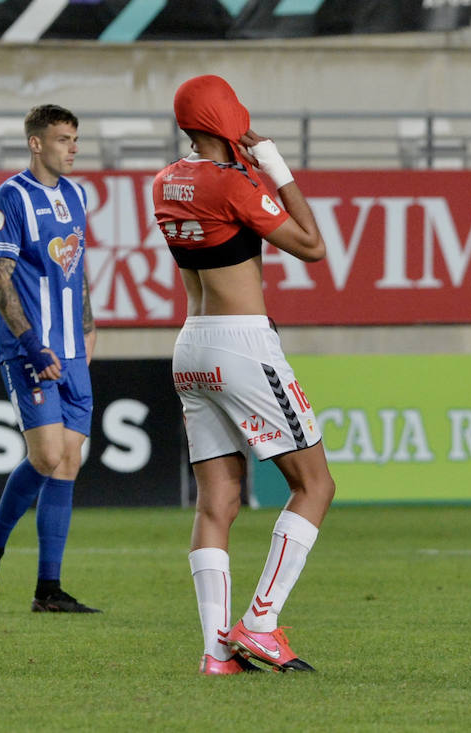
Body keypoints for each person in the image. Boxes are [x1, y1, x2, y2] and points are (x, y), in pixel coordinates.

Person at [151, 75, 335, 675]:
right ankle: (259, 622)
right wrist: (273, 161)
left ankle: (214, 654)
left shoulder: (164, 182)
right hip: (241, 344)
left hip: (191, 347)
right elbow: (310, 245)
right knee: (315, 486)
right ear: (224, 117)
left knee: (217, 502)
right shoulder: (231, 183)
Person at [0, 103, 100, 614]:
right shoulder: (11, 197)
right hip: (33, 350)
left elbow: (76, 268)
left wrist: (88, 329)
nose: (73, 148)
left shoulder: (75, 195)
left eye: (75, 138)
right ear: (36, 143)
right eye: (64, 139)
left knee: (67, 463)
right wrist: (32, 346)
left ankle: (48, 589)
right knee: (45, 456)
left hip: (72, 349)